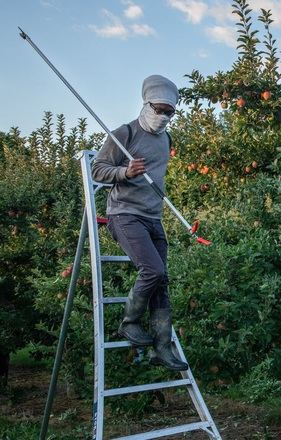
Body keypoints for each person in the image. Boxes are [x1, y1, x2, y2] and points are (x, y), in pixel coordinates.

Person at [91, 75, 187, 371]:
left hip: (152, 216)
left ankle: (161, 347)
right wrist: (124, 172)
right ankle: (128, 322)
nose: (163, 117)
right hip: (125, 214)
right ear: (146, 105)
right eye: (158, 110)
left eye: (169, 113)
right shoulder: (125, 134)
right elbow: (98, 170)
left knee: (162, 281)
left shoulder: (166, 139)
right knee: (153, 270)